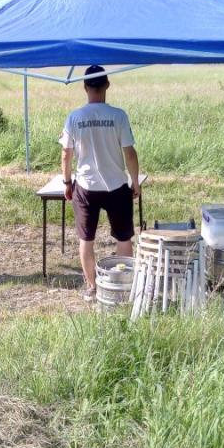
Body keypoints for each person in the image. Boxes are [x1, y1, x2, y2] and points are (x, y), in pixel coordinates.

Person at [60, 65, 140, 301]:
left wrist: (67, 182)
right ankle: (123, 287)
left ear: (85, 87)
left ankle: (92, 287)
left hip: (86, 186)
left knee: (86, 239)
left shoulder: (74, 117)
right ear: (107, 85)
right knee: (123, 237)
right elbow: (129, 153)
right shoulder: (118, 115)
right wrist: (135, 181)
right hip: (116, 185)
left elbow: (66, 154)